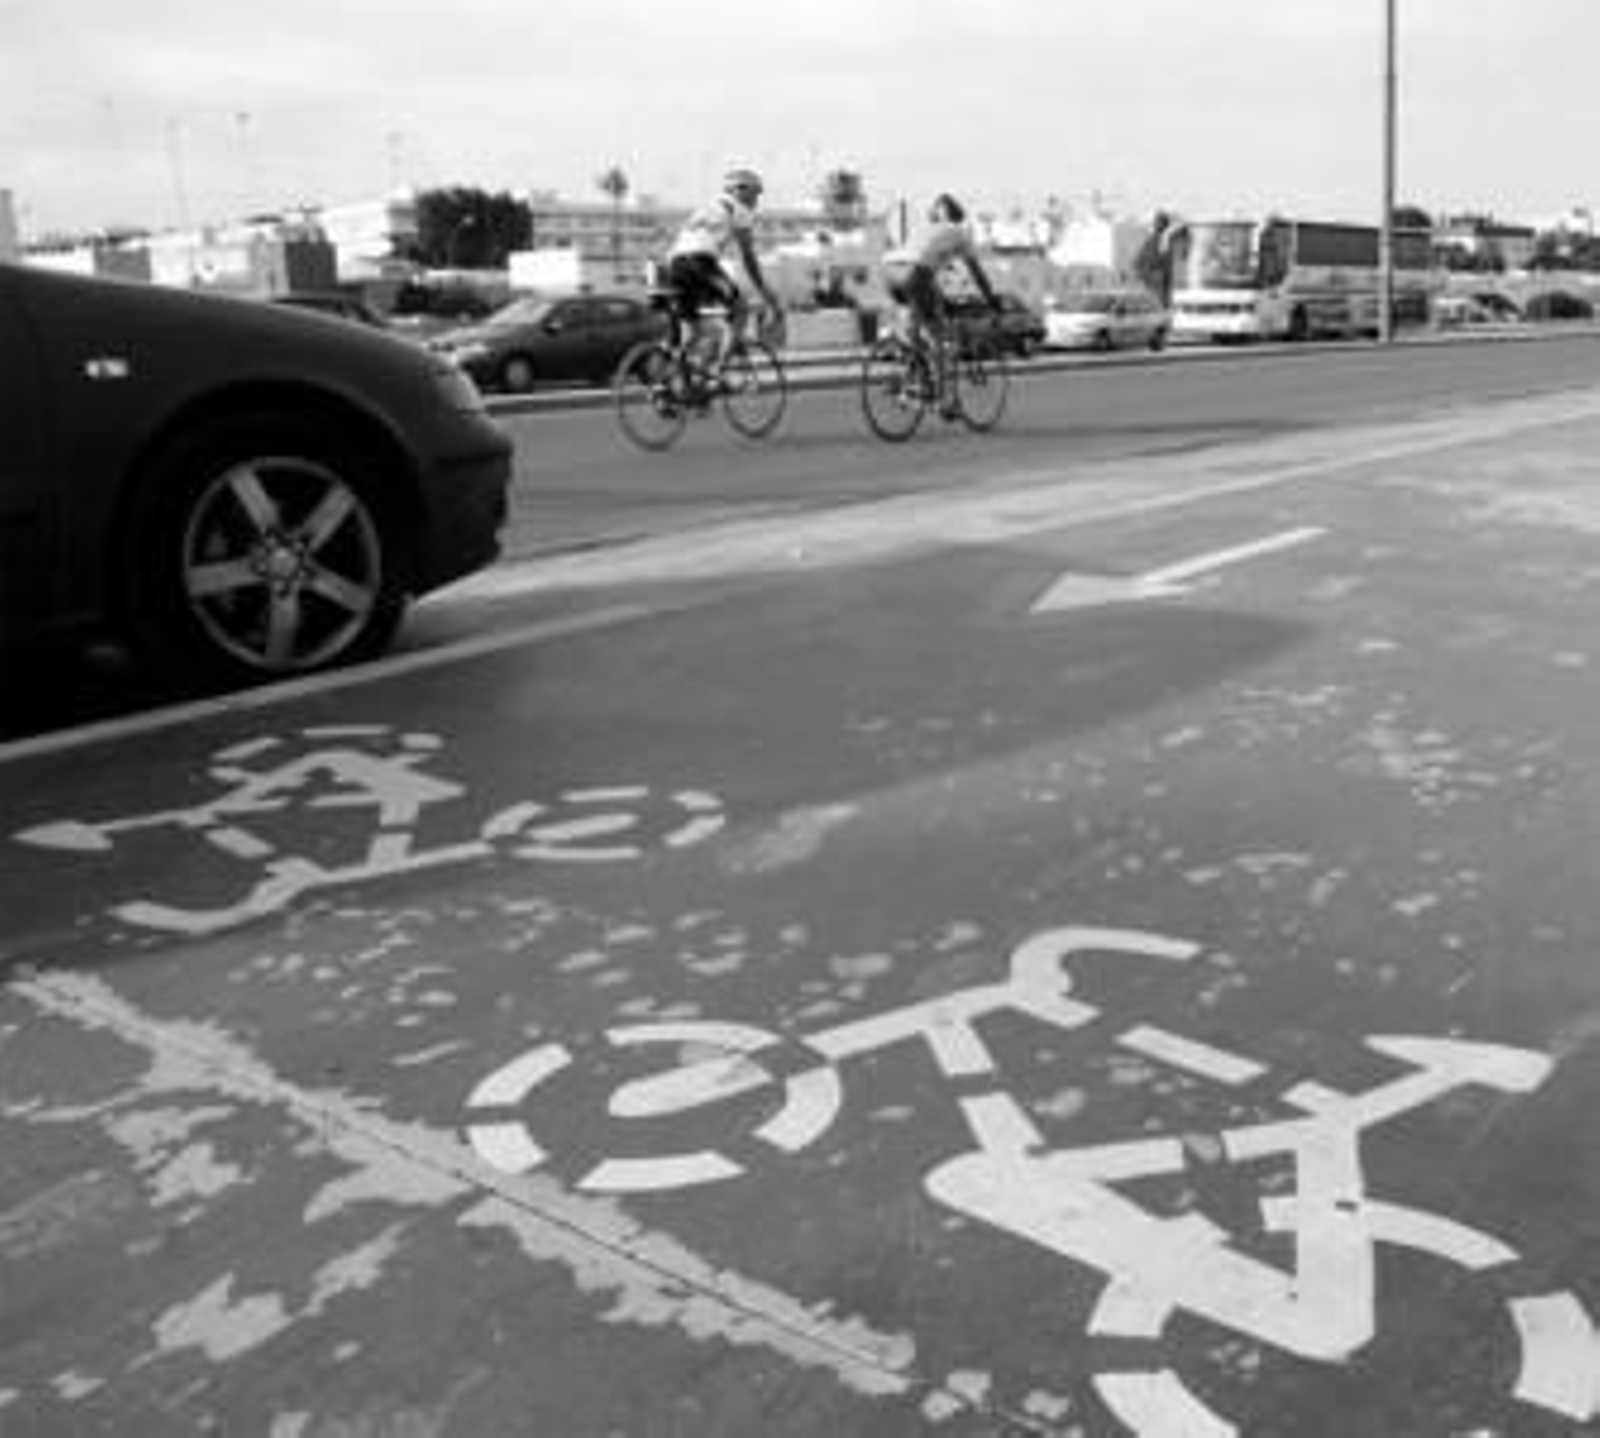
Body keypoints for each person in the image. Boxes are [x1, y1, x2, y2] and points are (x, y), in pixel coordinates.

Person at [663, 167, 782, 375]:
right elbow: (749, 259)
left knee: (690, 332)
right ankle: (717, 371)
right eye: (755, 193)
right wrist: (765, 293)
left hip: (674, 265)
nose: (757, 200)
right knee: (740, 311)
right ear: (741, 191)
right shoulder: (740, 210)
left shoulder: (706, 207)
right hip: (700, 262)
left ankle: (670, 384)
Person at [883, 194, 1002, 382]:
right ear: (959, 217)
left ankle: (913, 373)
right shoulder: (959, 233)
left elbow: (929, 272)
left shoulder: (925, 228)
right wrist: (990, 298)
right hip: (915, 273)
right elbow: (977, 273)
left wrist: (940, 297)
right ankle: (944, 402)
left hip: (890, 273)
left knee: (917, 323)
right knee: (937, 334)